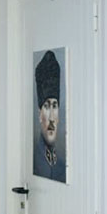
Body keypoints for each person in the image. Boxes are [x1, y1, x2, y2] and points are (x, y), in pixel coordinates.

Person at [34, 49, 66, 182]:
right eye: (47, 106)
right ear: (39, 114)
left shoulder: (62, 167)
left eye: (54, 105)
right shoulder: (34, 161)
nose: (52, 117)